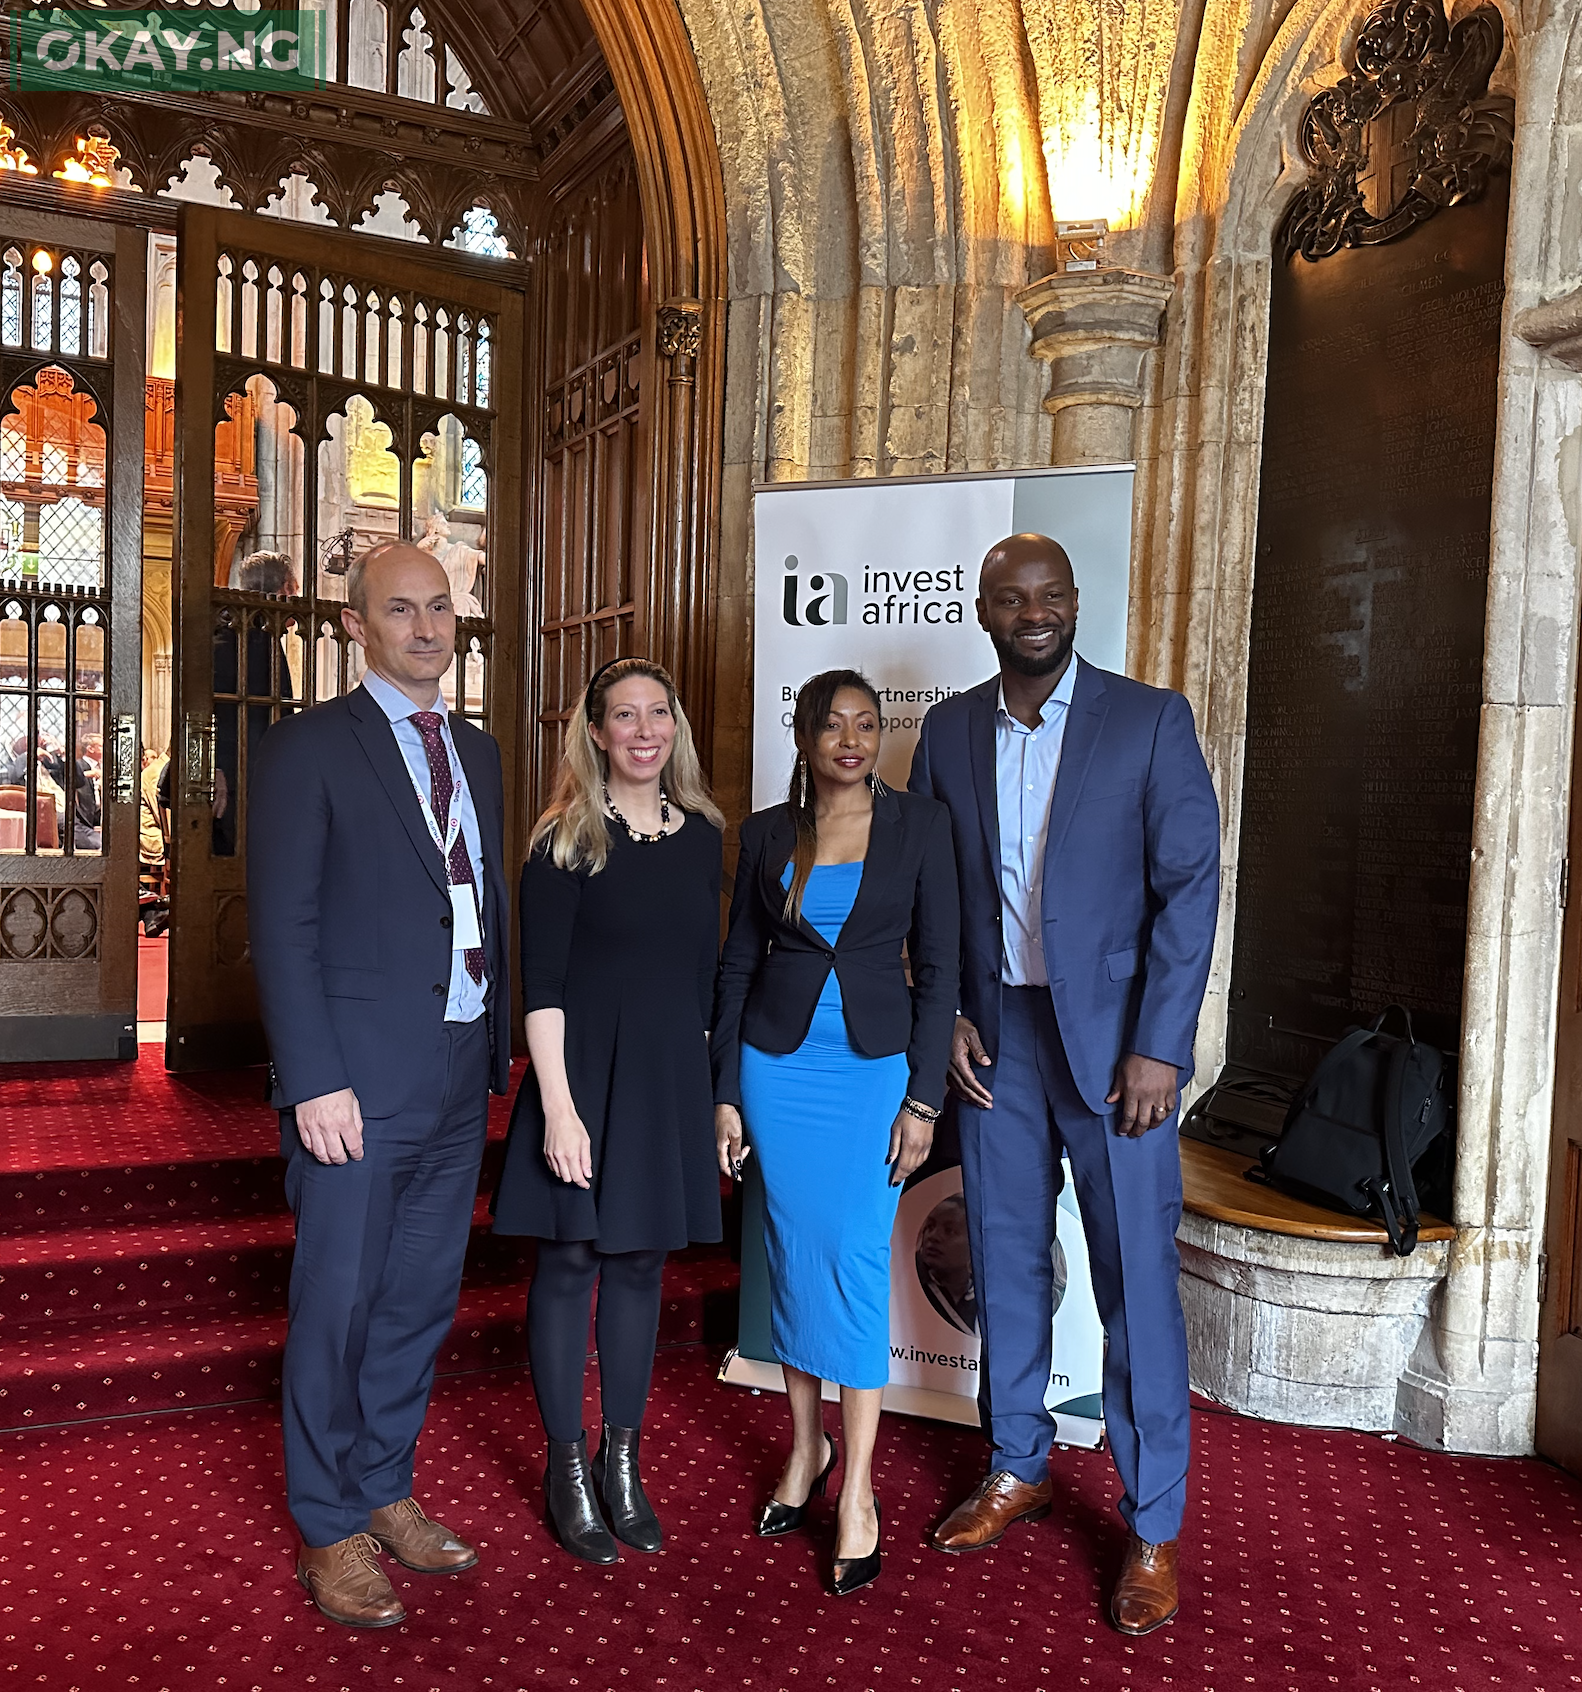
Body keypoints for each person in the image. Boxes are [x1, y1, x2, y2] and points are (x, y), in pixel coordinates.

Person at [909, 533, 1219, 1637]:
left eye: (1048, 596)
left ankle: (1151, 1520)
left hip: (1117, 1047)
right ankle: (1017, 1462)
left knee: (1135, 1275)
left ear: (1074, 603)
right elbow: (930, 887)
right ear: (982, 612)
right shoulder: (947, 731)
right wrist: (940, 1010)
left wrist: (1161, 1047)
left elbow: (1189, 890)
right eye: (1008, 598)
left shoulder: (1148, 721)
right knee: (1003, 1254)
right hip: (997, 1037)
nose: (1031, 612)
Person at [247, 541, 511, 1629]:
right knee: (338, 1305)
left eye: (440, 609)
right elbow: (282, 923)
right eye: (400, 611)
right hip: (353, 1083)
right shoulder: (308, 749)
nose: (426, 628)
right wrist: (313, 1079)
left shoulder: (480, 753)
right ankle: (325, 1524)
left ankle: (383, 1485)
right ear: (356, 626)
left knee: (416, 1301)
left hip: (456, 1071)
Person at [713, 670, 959, 1598]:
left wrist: (924, 1101)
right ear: (806, 737)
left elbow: (940, 972)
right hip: (777, 1071)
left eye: (866, 724)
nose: (852, 740)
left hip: (872, 1077)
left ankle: (857, 1490)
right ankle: (806, 1448)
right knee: (789, 1250)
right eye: (833, 726)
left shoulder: (920, 827)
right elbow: (739, 963)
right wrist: (727, 1091)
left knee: (851, 1262)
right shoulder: (770, 833)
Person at [493, 657, 724, 1564]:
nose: (642, 731)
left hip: (667, 1077)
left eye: (656, 713)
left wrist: (713, 1099)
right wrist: (556, 1108)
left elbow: (703, 978)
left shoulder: (704, 835)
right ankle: (565, 1467)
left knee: (639, 1266)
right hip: (580, 1076)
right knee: (572, 1260)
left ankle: (620, 1459)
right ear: (594, 733)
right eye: (622, 716)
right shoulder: (563, 839)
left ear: (675, 727)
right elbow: (539, 988)